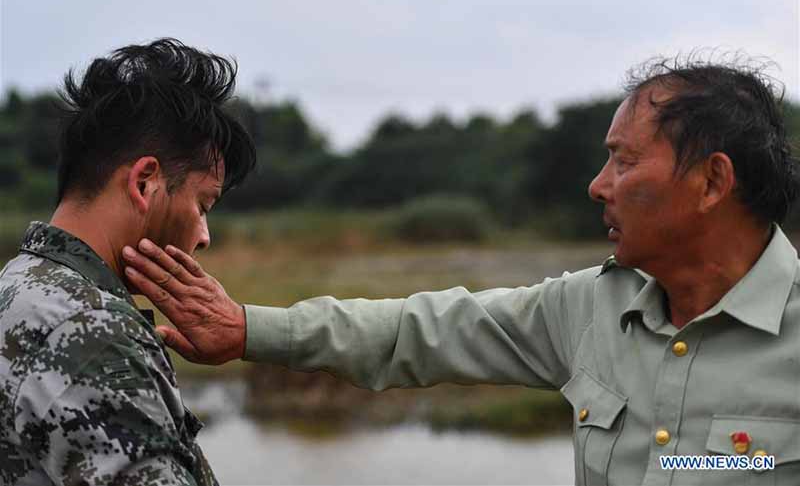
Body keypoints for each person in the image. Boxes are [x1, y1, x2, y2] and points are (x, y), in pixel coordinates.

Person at [123, 56, 800, 486]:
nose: (598, 186)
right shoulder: (591, 308)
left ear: (712, 182)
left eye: (624, 161)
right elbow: (418, 331)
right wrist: (247, 328)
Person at [0, 39, 256, 486]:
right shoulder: (90, 331)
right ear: (145, 182)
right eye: (204, 205)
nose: (203, 237)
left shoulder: (17, 282)